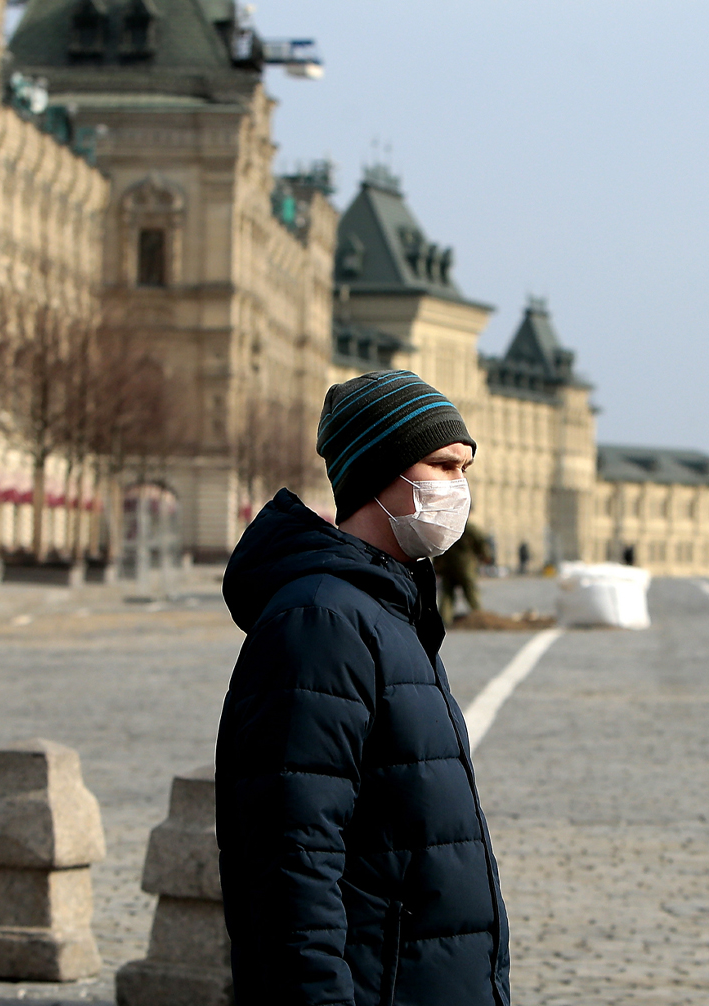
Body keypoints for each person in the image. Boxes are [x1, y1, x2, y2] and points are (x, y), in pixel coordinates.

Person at [216, 370, 509, 1006]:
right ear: (380, 473)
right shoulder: (322, 621)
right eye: (441, 465)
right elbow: (295, 859)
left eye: (465, 469)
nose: (458, 488)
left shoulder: (389, 615)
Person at [435, 521, 492, 619]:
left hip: (448, 566)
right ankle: (479, 617)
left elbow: (438, 546)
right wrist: (486, 556)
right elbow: (481, 542)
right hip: (466, 566)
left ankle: (444, 619)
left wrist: (437, 565)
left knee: (447, 595)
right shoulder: (470, 528)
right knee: (471, 591)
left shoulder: (446, 527)